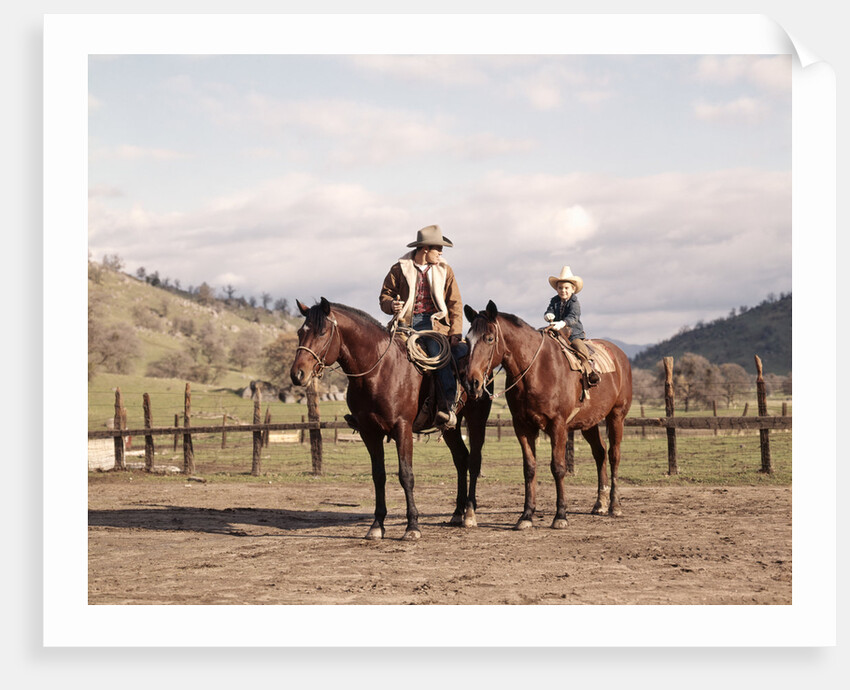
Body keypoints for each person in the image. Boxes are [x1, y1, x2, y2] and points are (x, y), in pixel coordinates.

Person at [379, 224, 464, 429]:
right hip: (404, 323)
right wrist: (392, 305)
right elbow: (384, 296)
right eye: (438, 248)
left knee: (438, 356)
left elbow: (455, 303)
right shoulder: (399, 269)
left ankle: (447, 406)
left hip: (434, 324)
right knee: (382, 356)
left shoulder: (445, 270)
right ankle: (375, 407)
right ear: (425, 249)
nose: (441, 253)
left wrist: (455, 331)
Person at [544, 265, 600, 385]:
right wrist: (548, 315)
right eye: (560, 288)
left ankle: (590, 371)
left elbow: (573, 317)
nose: (563, 290)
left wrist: (563, 323)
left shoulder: (574, 302)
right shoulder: (554, 301)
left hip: (572, 334)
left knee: (580, 349)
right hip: (556, 332)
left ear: (573, 289)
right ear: (557, 289)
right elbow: (549, 310)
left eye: (566, 288)